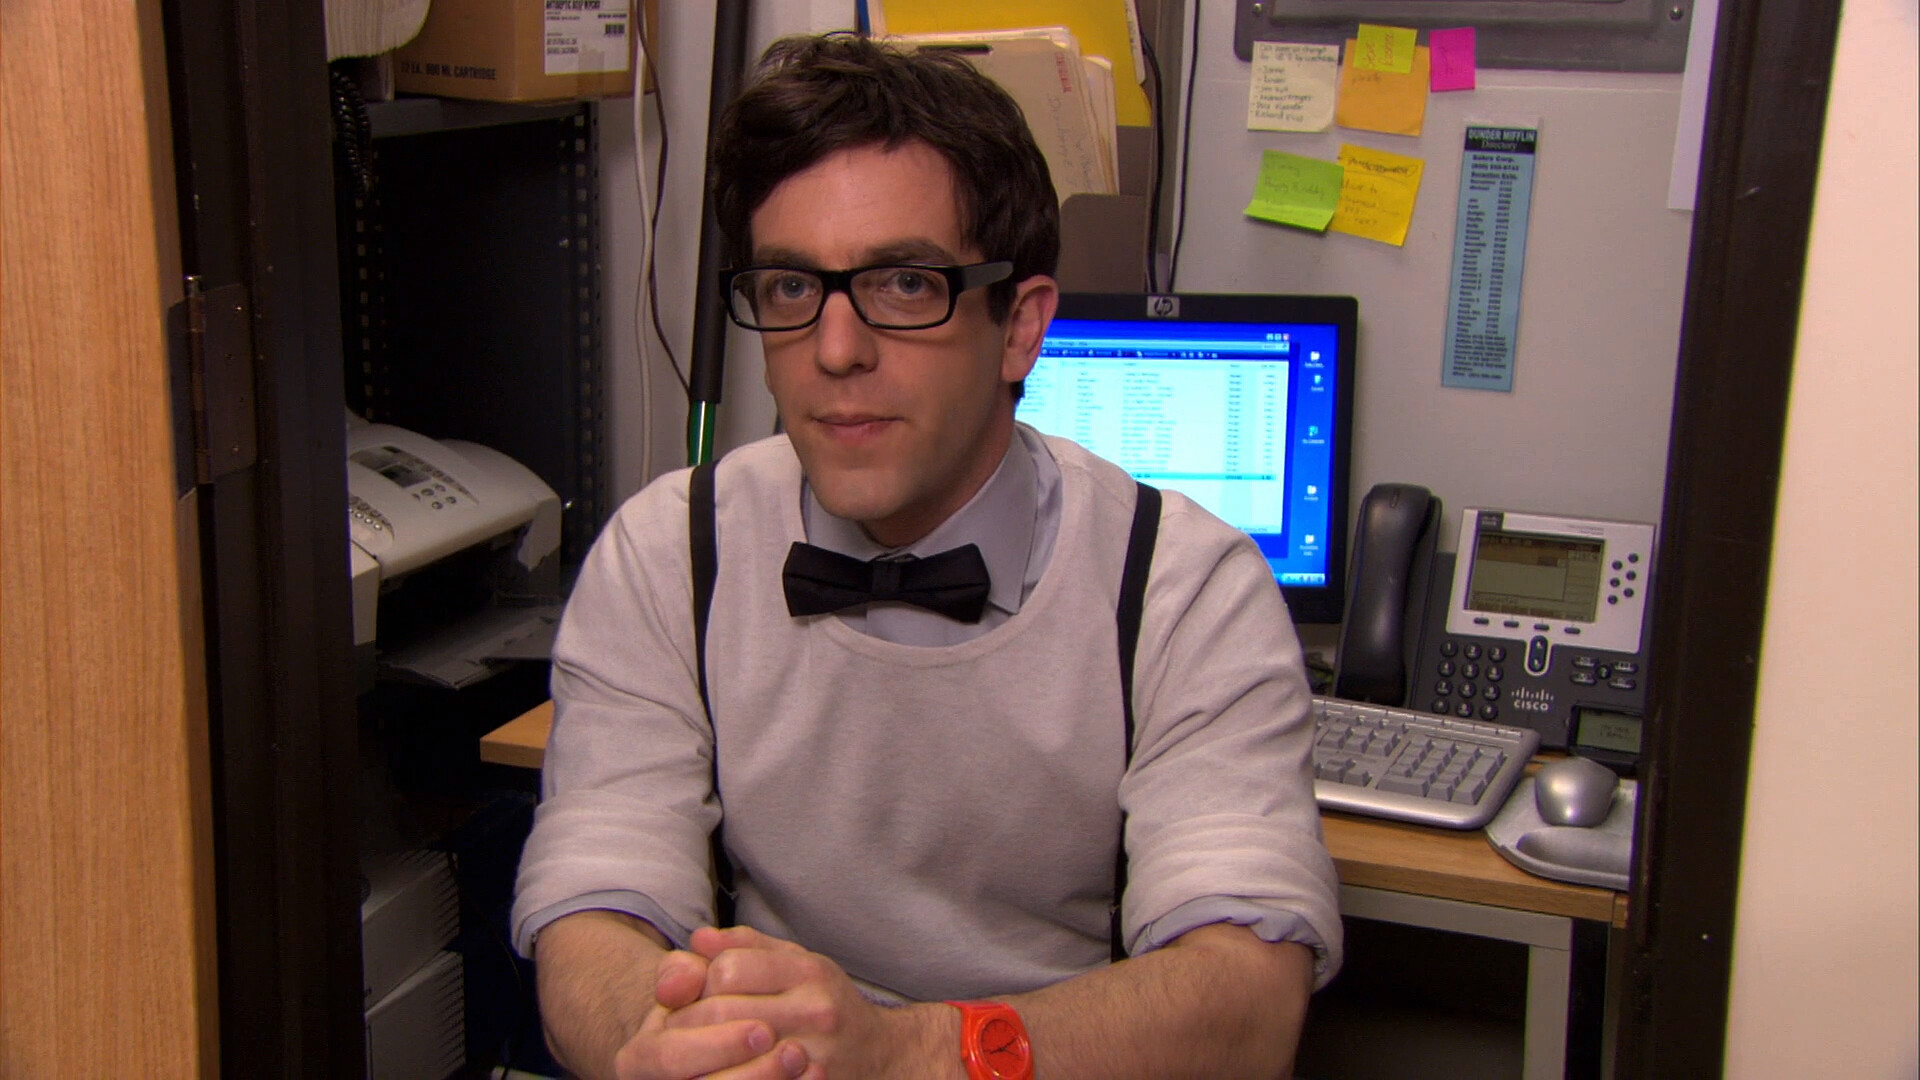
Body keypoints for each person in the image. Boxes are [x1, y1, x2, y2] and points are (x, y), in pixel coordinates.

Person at [512, 33, 1342, 1080]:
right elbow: (592, 912)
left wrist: (909, 1054)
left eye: (905, 284)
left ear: (1021, 328)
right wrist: (662, 1045)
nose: (836, 350)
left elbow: (1245, 1003)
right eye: (790, 287)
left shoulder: (1183, 586)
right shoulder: (670, 552)